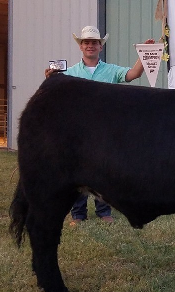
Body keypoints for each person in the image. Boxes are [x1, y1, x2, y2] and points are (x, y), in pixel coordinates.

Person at [45, 26, 155, 226]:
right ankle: (78, 214)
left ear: (100, 47)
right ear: (81, 47)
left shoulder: (111, 71)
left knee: (102, 170)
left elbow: (133, 74)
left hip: (104, 131)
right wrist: (50, 79)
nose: (90, 46)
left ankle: (104, 211)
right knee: (77, 171)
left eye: (94, 42)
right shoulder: (68, 73)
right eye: (86, 42)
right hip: (78, 131)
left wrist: (144, 55)